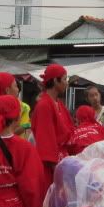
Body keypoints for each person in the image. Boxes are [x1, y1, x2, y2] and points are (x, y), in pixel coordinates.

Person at [31, 64, 73, 197]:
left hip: (62, 162)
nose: (67, 83)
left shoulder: (58, 104)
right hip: (51, 167)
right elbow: (46, 143)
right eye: (65, 79)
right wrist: (59, 174)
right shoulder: (44, 105)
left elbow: (70, 132)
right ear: (55, 81)